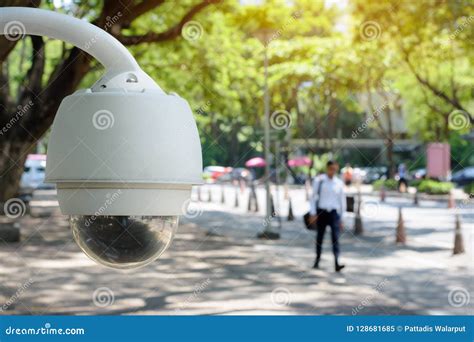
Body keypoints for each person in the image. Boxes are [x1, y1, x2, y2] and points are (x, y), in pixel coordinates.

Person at [309, 160, 346, 272]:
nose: (332, 171)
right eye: (331, 169)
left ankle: (336, 262)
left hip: (334, 213)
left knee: (335, 238)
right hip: (321, 212)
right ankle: (317, 259)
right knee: (319, 237)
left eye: (335, 169)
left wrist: (342, 218)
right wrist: (313, 213)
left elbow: (342, 201)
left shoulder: (339, 183)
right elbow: (313, 197)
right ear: (327, 168)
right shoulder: (319, 180)